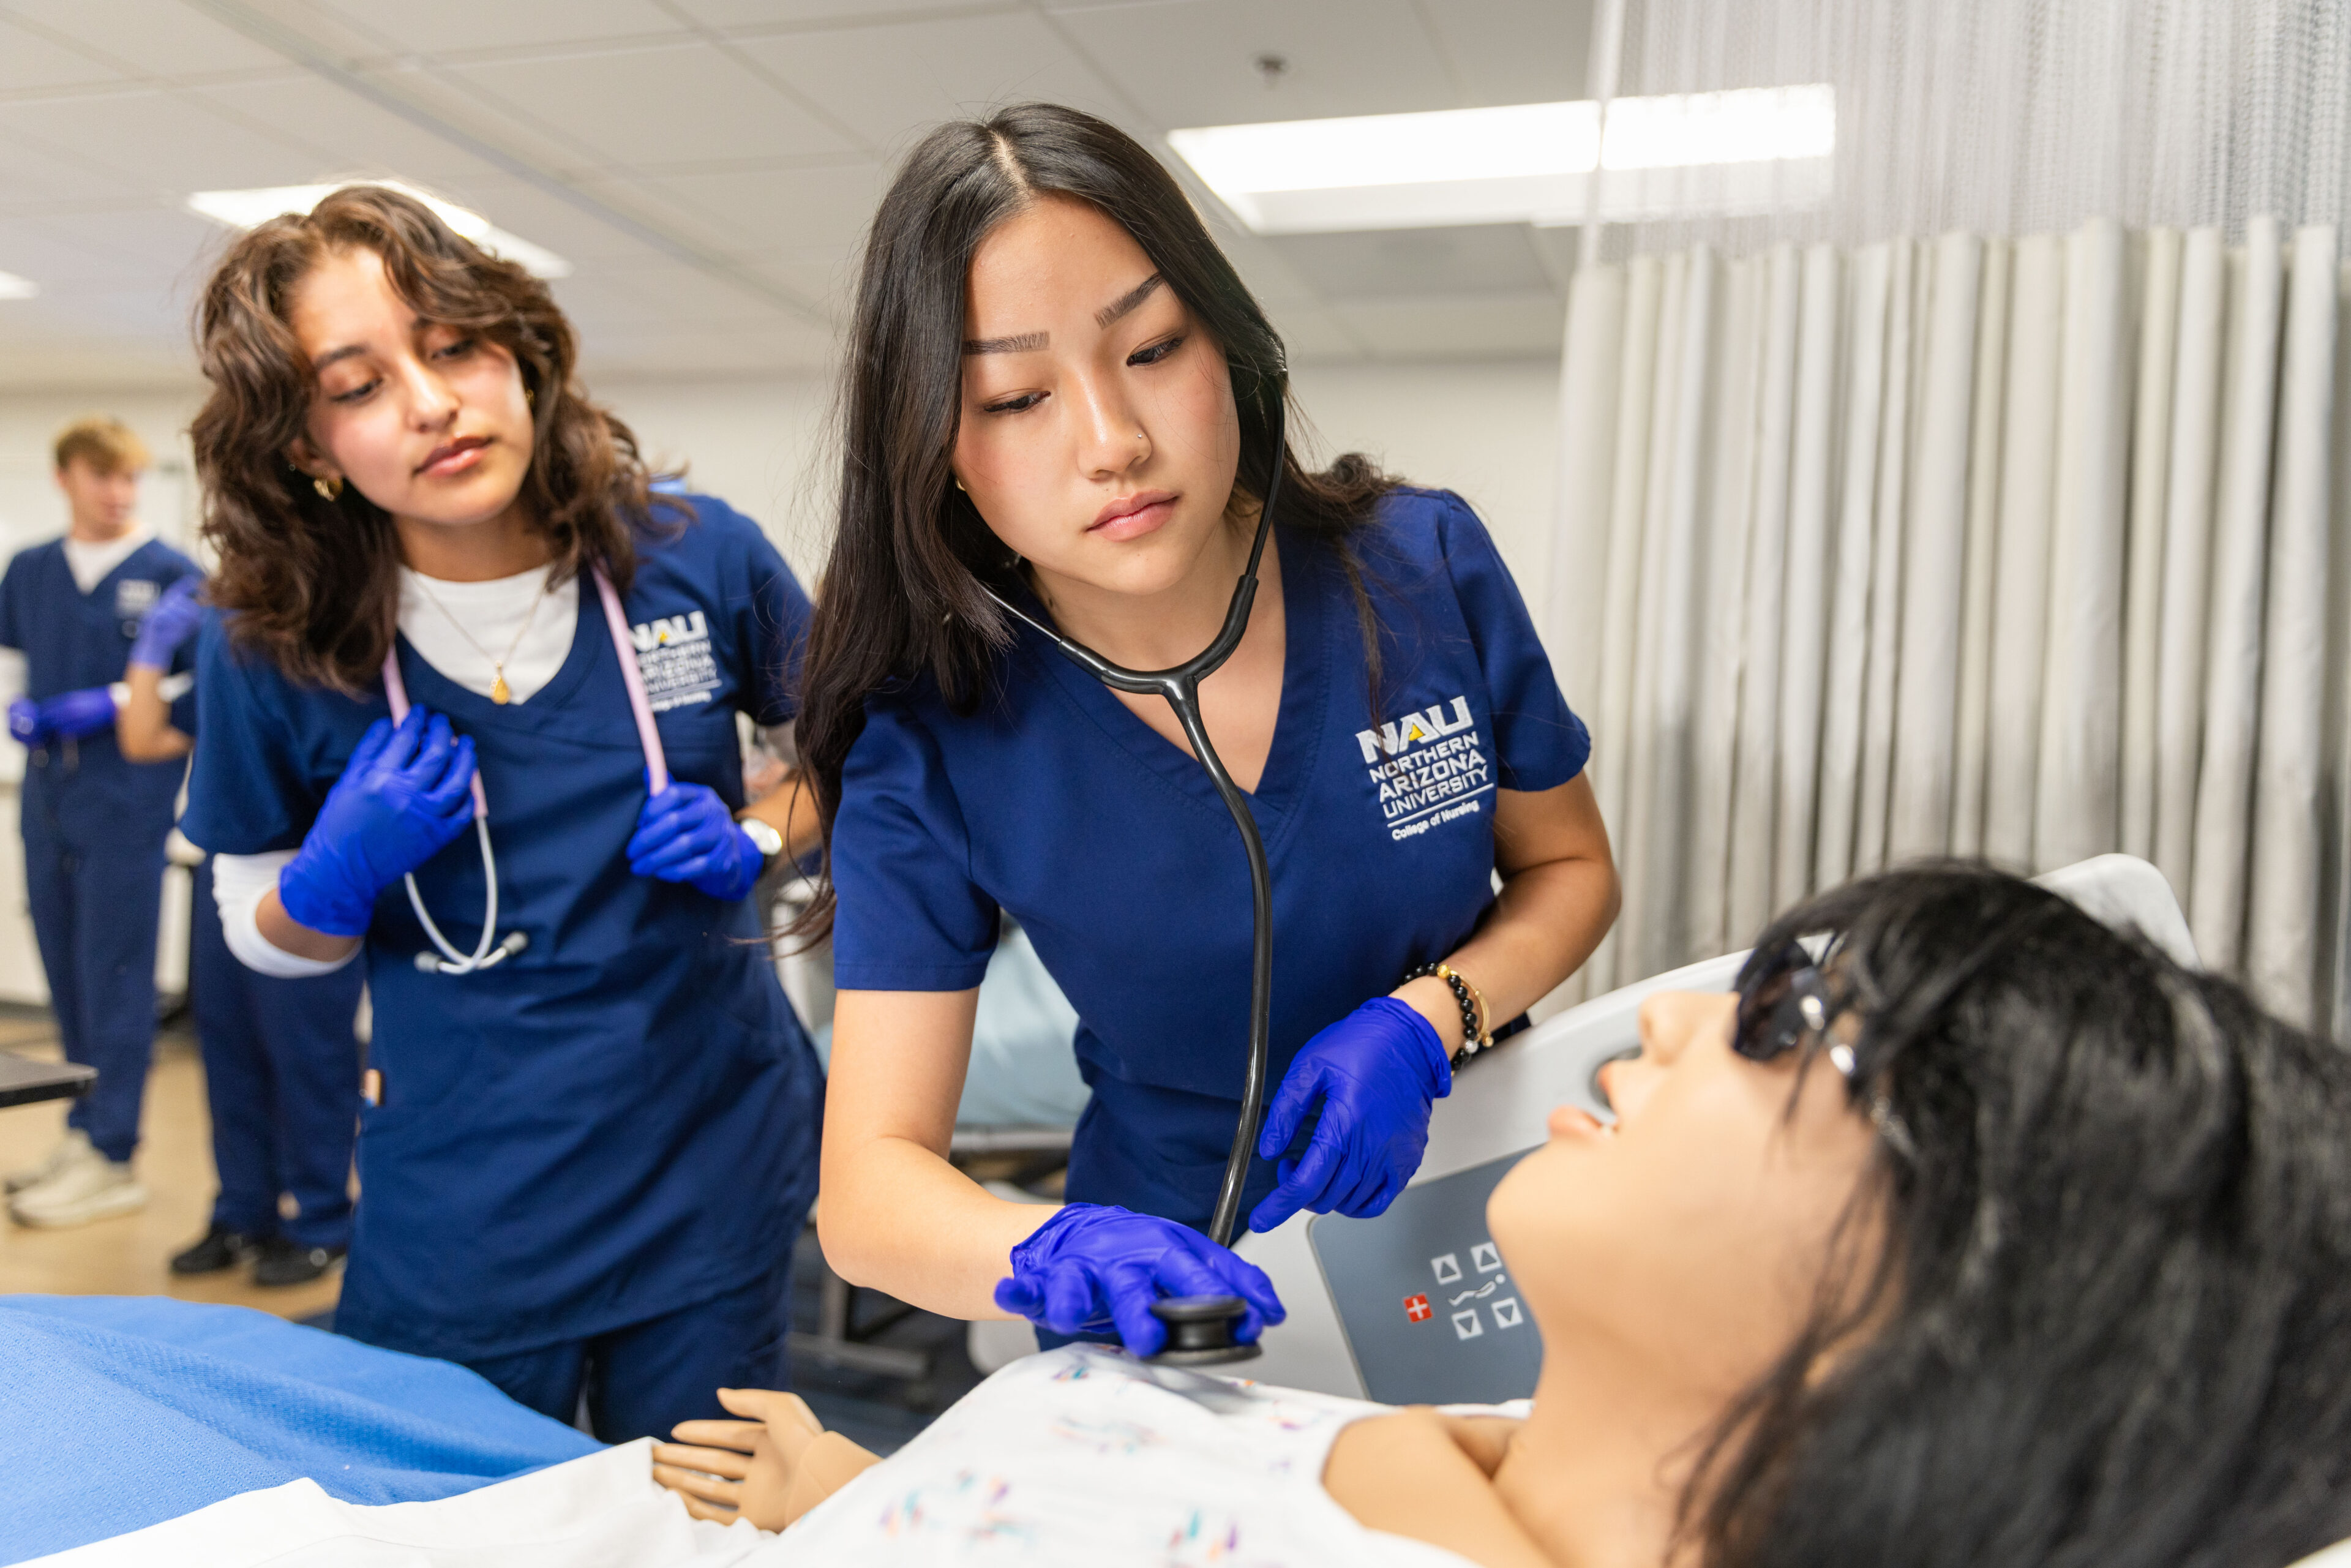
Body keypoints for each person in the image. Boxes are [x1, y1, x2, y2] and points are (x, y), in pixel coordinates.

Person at [21, 866, 2346, 1568]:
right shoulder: (1508, 1417)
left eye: (1789, 1028)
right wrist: (899, 1477)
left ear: (1961, 1299)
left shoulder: (1408, 570)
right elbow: (895, 1159)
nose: (1669, 1022)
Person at [798, 103, 1620, 1357]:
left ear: (1228, 346)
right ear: (943, 453)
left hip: (1474, 1195)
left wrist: (1427, 1015)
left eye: (1153, 347)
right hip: (1167, 1284)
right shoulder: (937, 737)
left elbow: (1571, 869)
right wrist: (1047, 1251)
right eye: (1017, 395)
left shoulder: (1418, 565)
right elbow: (865, 1195)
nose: (1112, 442)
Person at [177, 184, 823, 1442]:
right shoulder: (270, 642)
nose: (430, 402)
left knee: (694, 1520)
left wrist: (760, 830)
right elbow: (250, 918)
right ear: (309, 447)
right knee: (464, 1518)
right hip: (472, 1197)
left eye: (454, 344)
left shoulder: (695, 553)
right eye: (357, 385)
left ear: (520, 350)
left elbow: (856, 763)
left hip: (709, 1161)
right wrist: (330, 873)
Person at [110, 576, 369, 1288]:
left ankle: (320, 1219)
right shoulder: (228, 644)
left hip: (309, 875)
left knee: (308, 1050)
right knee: (226, 1046)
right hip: (225, 867)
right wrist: (153, 652)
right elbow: (142, 737)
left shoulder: (314, 644)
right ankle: (242, 1208)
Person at [1, 416, 202, 1229]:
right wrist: (20, 710)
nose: (118, 494)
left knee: (117, 974)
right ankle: (83, 1129)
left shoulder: (174, 575)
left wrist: (114, 700)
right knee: (66, 969)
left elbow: (196, 687)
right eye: (102, 477)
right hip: (47, 797)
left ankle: (115, 1150)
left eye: (130, 479)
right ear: (67, 478)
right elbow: (14, 659)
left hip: (127, 800)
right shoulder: (32, 570)